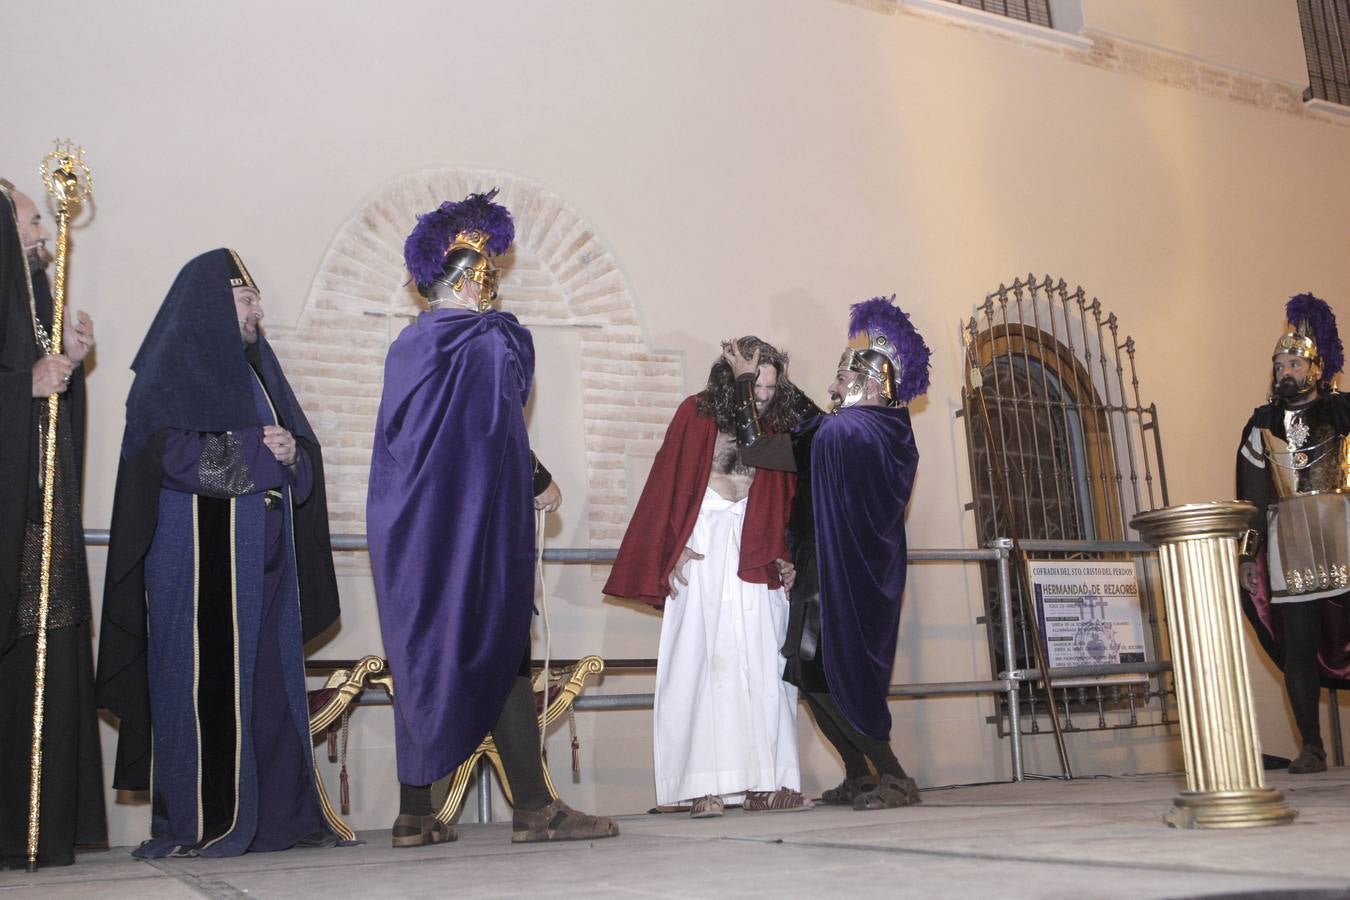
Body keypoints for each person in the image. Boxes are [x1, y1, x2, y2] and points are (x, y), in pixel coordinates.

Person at [368, 189, 616, 847]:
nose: (494, 283)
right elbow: (491, 432)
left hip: (410, 527)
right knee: (502, 649)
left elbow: (429, 437)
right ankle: (535, 808)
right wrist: (537, 480)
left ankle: (414, 813)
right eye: (487, 270)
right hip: (467, 526)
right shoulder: (483, 341)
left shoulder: (410, 344)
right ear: (472, 277)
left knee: (423, 652)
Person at [97, 249, 341, 857]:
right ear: (211, 306)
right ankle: (209, 820)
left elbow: (299, 454)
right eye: (246, 298)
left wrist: (293, 456)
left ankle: (279, 821)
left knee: (271, 688)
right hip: (200, 562)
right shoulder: (165, 374)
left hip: (267, 563)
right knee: (201, 689)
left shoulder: (258, 372)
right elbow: (169, 456)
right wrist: (259, 453)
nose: (259, 308)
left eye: (255, 297)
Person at [729, 295, 929, 810]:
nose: (834, 385)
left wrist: (749, 385)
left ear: (865, 382)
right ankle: (861, 776)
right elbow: (780, 441)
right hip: (821, 567)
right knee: (806, 673)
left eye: (842, 378)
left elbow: (786, 441)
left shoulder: (862, 433)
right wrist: (761, 380)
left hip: (847, 576)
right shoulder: (847, 429)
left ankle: (894, 776)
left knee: (832, 674)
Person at [605, 337, 809, 817]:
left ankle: (769, 780)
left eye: (769, 388)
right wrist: (669, 551)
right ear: (731, 374)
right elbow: (667, 485)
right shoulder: (696, 413)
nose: (761, 395)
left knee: (763, 666)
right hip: (703, 548)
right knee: (701, 666)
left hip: (757, 549)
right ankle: (704, 786)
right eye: (754, 384)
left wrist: (789, 552)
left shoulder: (777, 424)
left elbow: (793, 496)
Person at [0, 181, 104, 868]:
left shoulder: (33, 304)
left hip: (41, 525)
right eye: (32, 223)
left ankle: (38, 829)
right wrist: (21, 386)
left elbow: (52, 413)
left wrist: (66, 358)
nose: (42, 237)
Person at [1237, 293, 1350, 775]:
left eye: (1294, 362)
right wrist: (1248, 554)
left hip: (1344, 535)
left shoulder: (1344, 412)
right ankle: (1312, 748)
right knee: (1298, 649)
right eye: (1278, 363)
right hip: (1291, 550)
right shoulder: (1261, 424)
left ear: (1316, 368)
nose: (1285, 370)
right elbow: (1252, 496)